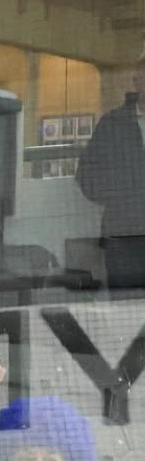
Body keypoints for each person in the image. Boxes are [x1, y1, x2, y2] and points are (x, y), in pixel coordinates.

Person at [77, 59, 145, 291]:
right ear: (137, 82)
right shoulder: (112, 125)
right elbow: (87, 175)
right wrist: (121, 197)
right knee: (126, 311)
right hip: (123, 236)